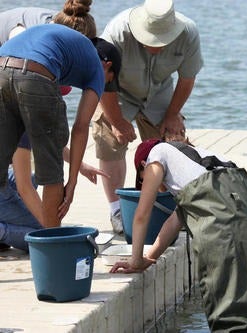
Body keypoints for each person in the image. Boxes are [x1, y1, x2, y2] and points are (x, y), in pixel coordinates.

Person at [110, 137, 247, 332]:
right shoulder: (202, 161)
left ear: (143, 165)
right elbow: (174, 221)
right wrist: (149, 257)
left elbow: (141, 214)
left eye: (142, 178)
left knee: (231, 319)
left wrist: (135, 260)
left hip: (224, 225)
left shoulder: (156, 155)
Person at [92, 0, 203, 233]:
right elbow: (100, 79)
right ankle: (116, 210)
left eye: (163, 40)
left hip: (160, 92)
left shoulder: (189, 32)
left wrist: (173, 115)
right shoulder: (117, 32)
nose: (157, 46)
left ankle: (169, 205)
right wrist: (116, 121)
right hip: (117, 91)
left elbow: (187, 78)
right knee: (109, 139)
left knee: (172, 145)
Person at [0, 24, 121, 228]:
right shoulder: (97, 69)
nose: (105, 86)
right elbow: (81, 127)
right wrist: (72, 183)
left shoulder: (71, 48)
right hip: (35, 72)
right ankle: (55, 247)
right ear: (108, 66)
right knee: (51, 172)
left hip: (1, 67)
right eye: (110, 82)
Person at [0, 132, 109, 252]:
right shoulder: (16, 120)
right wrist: (51, 230)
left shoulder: (25, 120)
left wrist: (81, 166)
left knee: (32, 178)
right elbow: (24, 188)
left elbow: (46, 139)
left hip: (4, 178)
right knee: (42, 234)